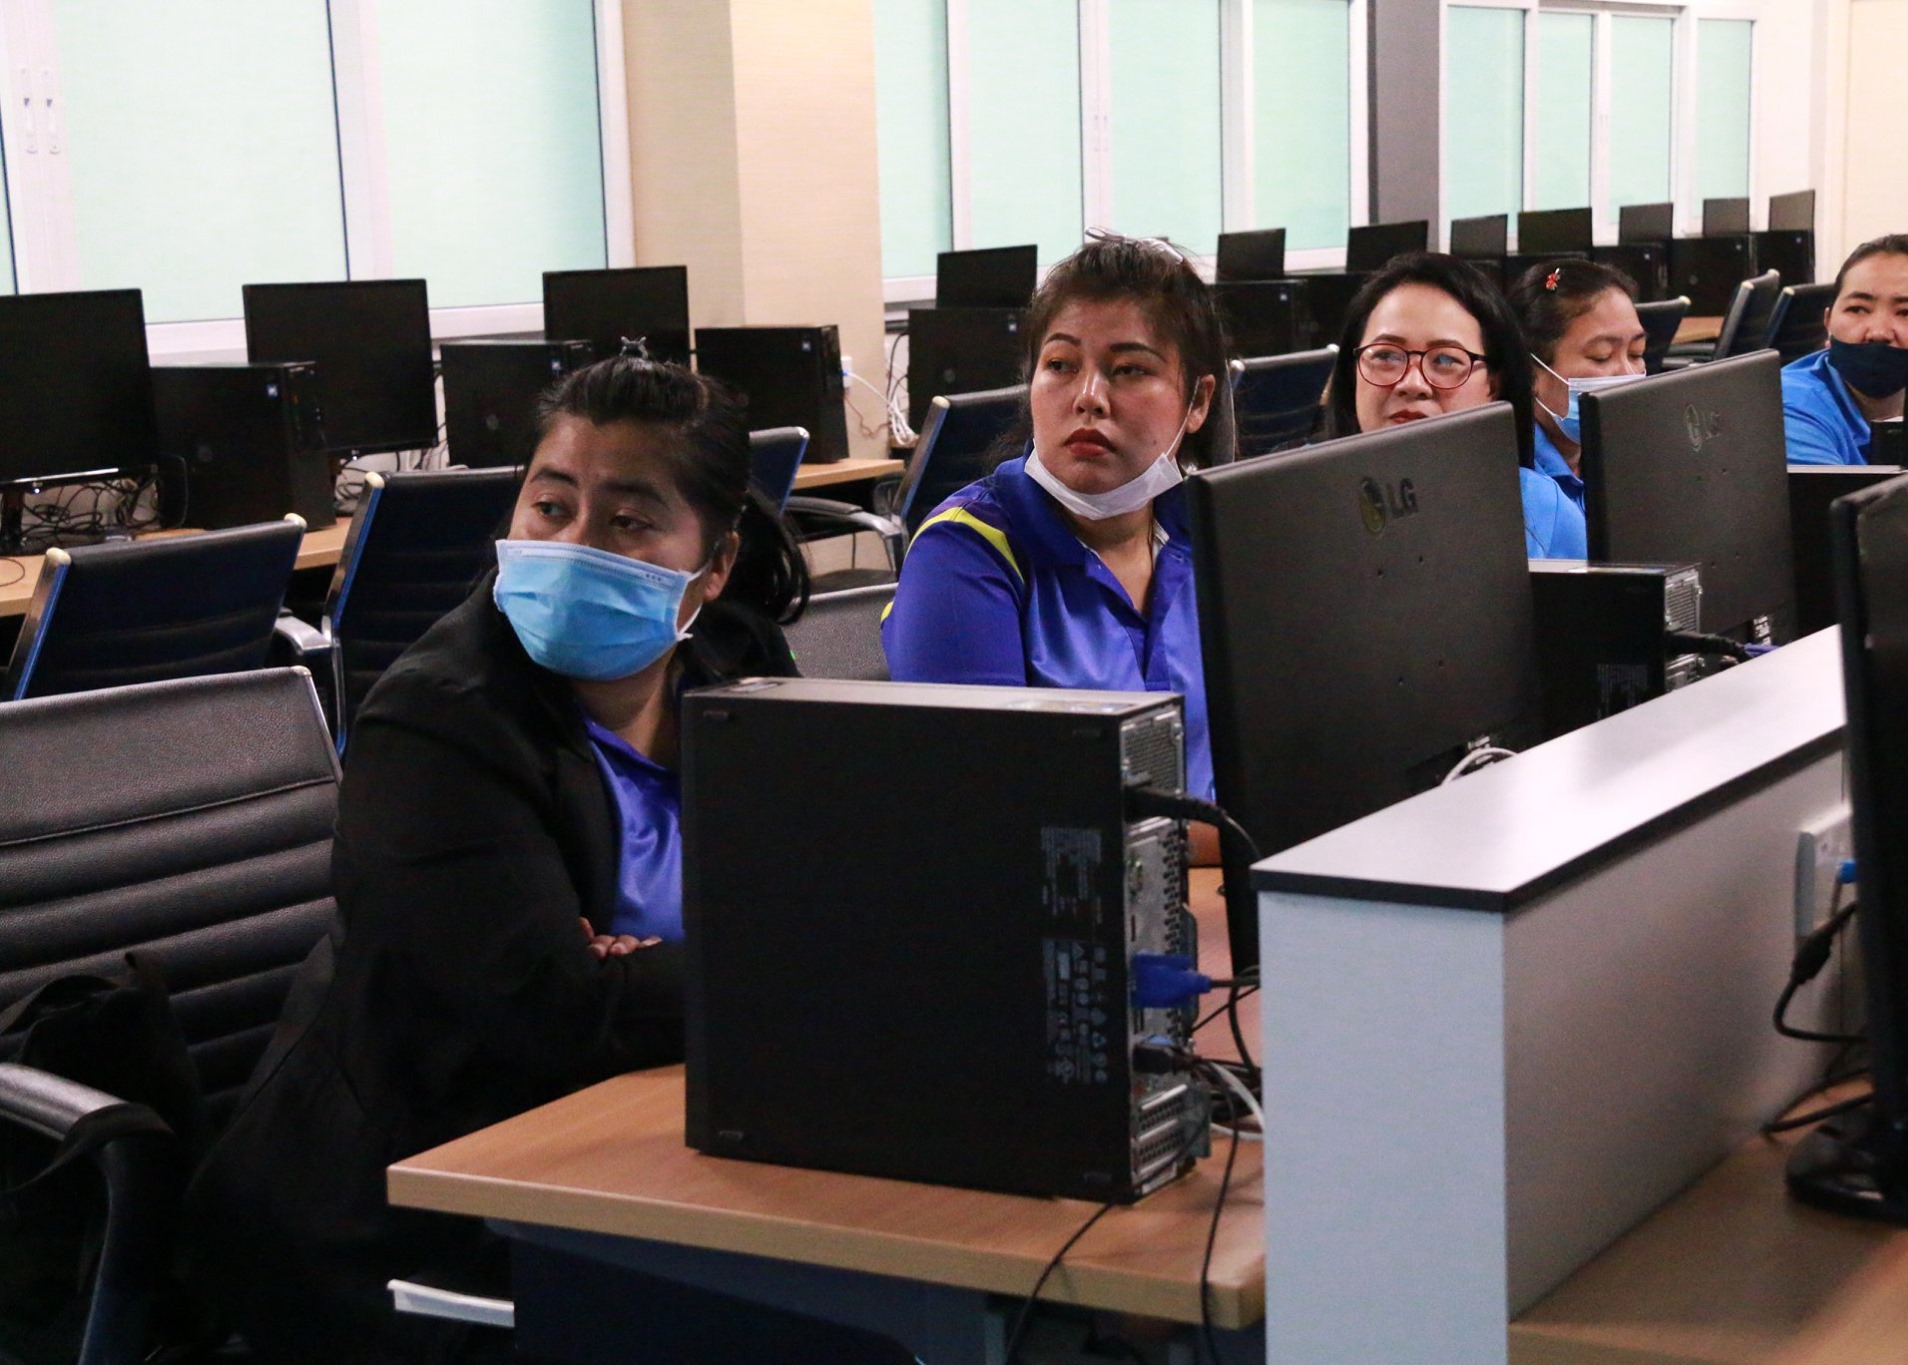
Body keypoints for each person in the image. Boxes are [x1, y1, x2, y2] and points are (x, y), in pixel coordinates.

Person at [186, 357, 857, 1365]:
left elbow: (833, 897)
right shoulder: (440, 721)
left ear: (711, 566)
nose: (573, 544)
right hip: (417, 1215)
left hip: (652, 1144)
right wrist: (766, 967)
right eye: (550, 505)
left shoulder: (738, 661)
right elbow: (547, 1012)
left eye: (628, 520)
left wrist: (648, 974)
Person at [882, 232, 1229, 832]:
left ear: (1197, 402)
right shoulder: (964, 552)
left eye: (1129, 369)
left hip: (1225, 878)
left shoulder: (1214, 536)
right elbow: (984, 814)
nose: (1089, 398)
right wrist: (1247, 831)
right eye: (1061, 365)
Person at [1328, 251, 1588, 559]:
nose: (1413, 383)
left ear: (1493, 385)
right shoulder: (1299, 497)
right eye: (1385, 355)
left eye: (1445, 360)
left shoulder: (1541, 513)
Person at [1781, 233, 1908, 465]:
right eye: (1858, 309)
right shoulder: (1790, 406)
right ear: (1828, 322)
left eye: (1907, 312)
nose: (1878, 332)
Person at [1507, 258, 1649, 510]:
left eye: (1636, 353)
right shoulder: (1521, 489)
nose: (1628, 373)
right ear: (1530, 372)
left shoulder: (1629, 458)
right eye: (1601, 356)